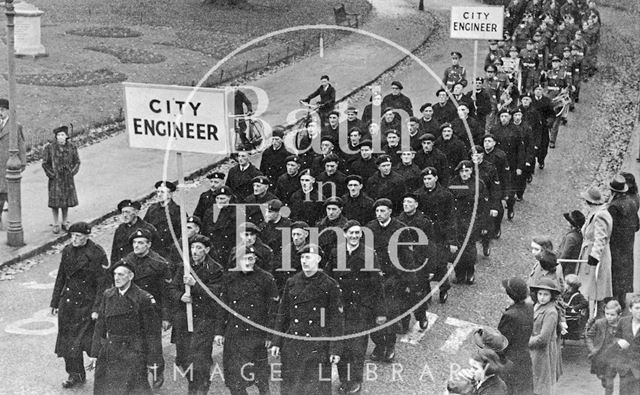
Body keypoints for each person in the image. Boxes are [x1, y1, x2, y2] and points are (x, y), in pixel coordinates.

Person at [271, 244, 344, 395]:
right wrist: (276, 341)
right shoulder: (292, 282)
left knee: (317, 388)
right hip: (293, 343)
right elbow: (282, 313)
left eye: (308, 257)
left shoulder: (330, 285)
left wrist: (335, 349)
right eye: (302, 257)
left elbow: (336, 319)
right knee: (291, 386)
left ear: (318, 259)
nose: (304, 261)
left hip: (318, 343)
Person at [325, 220, 386, 394]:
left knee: (357, 348)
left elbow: (377, 284)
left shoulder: (368, 254)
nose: (354, 236)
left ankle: (355, 381)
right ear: (344, 234)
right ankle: (345, 380)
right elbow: (328, 278)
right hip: (340, 308)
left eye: (357, 233)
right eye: (351, 233)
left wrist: (380, 312)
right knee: (341, 346)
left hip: (361, 308)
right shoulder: (336, 252)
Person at [89, 261, 163, 395]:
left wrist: (153, 360)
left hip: (133, 351)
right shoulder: (108, 295)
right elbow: (100, 326)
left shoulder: (143, 298)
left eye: (121, 274)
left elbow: (152, 333)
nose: (116, 278)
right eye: (115, 274)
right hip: (110, 350)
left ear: (131, 276)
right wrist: (94, 353)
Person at [50, 222, 109, 389]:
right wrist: (55, 302)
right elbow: (61, 276)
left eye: (78, 236)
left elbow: (102, 284)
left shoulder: (96, 253)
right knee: (68, 343)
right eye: (72, 236)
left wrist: (97, 308)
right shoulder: (67, 250)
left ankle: (105, 374)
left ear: (87, 236)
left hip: (87, 305)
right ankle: (75, 374)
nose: (74, 239)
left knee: (91, 342)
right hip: (68, 303)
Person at [216, 245, 279, 395]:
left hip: (256, 334)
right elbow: (222, 307)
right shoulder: (229, 278)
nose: (248, 262)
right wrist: (219, 332)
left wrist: (270, 335)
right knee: (234, 380)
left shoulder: (266, 278)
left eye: (251, 258)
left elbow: (273, 310)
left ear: (255, 259)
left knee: (261, 378)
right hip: (234, 334)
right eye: (244, 258)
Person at [170, 235, 224, 394]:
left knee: (199, 358)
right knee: (184, 358)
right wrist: (180, 296)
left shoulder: (215, 269)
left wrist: (196, 285)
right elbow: (172, 289)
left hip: (204, 318)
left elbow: (216, 293)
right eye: (193, 247)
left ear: (207, 250)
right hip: (185, 318)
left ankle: (200, 388)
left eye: (199, 248)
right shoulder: (184, 267)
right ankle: (194, 385)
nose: (195, 251)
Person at [122, 228, 173, 388]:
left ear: (149, 245)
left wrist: (166, 317)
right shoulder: (126, 261)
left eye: (140, 243)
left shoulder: (159, 263)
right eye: (134, 243)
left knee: (153, 345)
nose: (136, 246)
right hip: (130, 311)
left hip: (152, 311)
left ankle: (157, 371)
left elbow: (166, 294)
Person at [577, 187, 613, 319]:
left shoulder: (600, 215)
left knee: (593, 287)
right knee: (589, 286)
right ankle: (590, 314)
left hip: (595, 256)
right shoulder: (596, 212)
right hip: (589, 251)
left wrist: (594, 257)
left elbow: (601, 238)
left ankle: (593, 317)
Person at [607, 174, 640, 307]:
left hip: (615, 244)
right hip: (628, 242)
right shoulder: (632, 201)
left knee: (615, 270)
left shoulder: (613, 206)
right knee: (626, 269)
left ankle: (614, 301)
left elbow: (610, 227)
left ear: (613, 191)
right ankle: (622, 298)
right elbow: (637, 225)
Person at [498, 277, 534, 395]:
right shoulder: (528, 308)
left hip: (509, 362)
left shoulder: (510, 315)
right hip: (524, 359)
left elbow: (501, 344)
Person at [42, 125, 80, 234]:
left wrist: (72, 172)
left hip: (67, 179)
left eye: (62, 135)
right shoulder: (49, 148)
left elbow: (77, 161)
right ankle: (55, 223)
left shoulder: (72, 147)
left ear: (66, 136)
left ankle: (65, 221)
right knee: (55, 202)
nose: (60, 137)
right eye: (58, 135)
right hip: (55, 180)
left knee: (66, 201)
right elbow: (45, 163)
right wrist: (51, 174)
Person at [529, 278, 561, 395]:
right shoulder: (536, 306)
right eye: (540, 294)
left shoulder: (551, 312)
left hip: (542, 352)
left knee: (541, 384)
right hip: (533, 350)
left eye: (546, 294)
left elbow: (543, 338)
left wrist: (526, 342)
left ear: (551, 296)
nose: (542, 297)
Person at [585, 299, 623, 395]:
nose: (609, 317)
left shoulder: (622, 325)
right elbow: (589, 336)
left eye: (612, 315)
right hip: (600, 355)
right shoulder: (599, 323)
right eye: (607, 314)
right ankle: (602, 378)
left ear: (619, 315)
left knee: (610, 379)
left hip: (614, 357)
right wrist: (592, 349)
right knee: (601, 375)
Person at [110, 199, 160, 266]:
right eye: (123, 212)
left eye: (127, 212)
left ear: (136, 213)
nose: (125, 215)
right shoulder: (120, 229)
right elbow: (115, 253)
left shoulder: (147, 229)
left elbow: (157, 251)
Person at [0, 98, 26, 226]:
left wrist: (22, 163)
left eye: (2, 110)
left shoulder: (15, 126)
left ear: (8, 111)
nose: (0, 112)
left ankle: (15, 221)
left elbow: (21, 145)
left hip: (9, 165)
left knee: (11, 194)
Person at [143, 181, 185, 260]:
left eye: (162, 192)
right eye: (158, 192)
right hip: (152, 251)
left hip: (170, 252)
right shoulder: (152, 209)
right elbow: (144, 227)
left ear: (170, 194)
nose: (159, 194)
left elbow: (183, 235)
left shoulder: (178, 211)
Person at [611, 294, 640, 394]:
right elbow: (614, 338)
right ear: (630, 309)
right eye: (637, 308)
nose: (639, 311)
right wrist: (619, 341)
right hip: (625, 369)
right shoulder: (623, 322)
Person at [557, 210, 585, 275]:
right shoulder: (578, 234)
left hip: (566, 269)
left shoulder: (571, 237)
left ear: (571, 224)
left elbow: (565, 256)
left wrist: (557, 269)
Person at [562, 274, 589, 340]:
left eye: (565, 283)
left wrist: (575, 308)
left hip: (572, 319)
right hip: (565, 316)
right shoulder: (565, 293)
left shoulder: (578, 295)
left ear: (570, 286)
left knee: (570, 334)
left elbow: (585, 303)